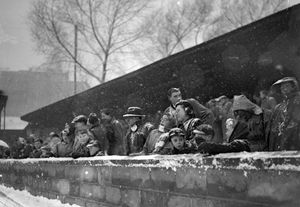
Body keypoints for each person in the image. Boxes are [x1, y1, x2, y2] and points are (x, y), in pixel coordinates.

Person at [197, 95, 269, 155]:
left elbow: (257, 138)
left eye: (238, 113)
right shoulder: (246, 120)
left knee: (234, 146)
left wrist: (242, 143)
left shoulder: (256, 119)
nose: (237, 117)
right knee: (232, 146)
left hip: (255, 148)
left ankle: (210, 147)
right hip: (248, 146)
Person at [268, 77, 300, 151]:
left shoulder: (298, 100)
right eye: (282, 87)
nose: (283, 88)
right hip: (283, 138)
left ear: (293, 87)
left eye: (287, 86)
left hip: (295, 136)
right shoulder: (280, 106)